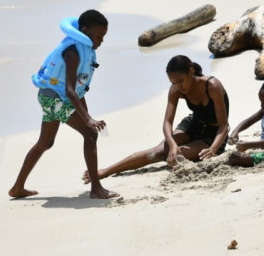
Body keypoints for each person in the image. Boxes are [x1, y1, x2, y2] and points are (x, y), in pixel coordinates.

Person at [9, 10, 118, 200]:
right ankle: (96, 188)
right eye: (99, 36)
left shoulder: (83, 50)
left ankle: (17, 188)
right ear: (84, 30)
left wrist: (87, 116)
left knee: (45, 143)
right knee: (90, 133)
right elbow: (69, 90)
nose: (101, 41)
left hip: (51, 96)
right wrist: (87, 119)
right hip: (55, 98)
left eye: (103, 37)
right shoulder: (73, 52)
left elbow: (79, 89)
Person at [83, 55, 229, 182]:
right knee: (158, 151)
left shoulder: (212, 86)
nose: (178, 86)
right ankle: (105, 171)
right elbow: (167, 122)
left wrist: (212, 149)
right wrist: (172, 144)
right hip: (193, 124)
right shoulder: (176, 90)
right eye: (173, 83)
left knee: (176, 156)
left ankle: (199, 148)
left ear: (191, 71)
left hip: (214, 134)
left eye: (181, 81)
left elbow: (223, 126)